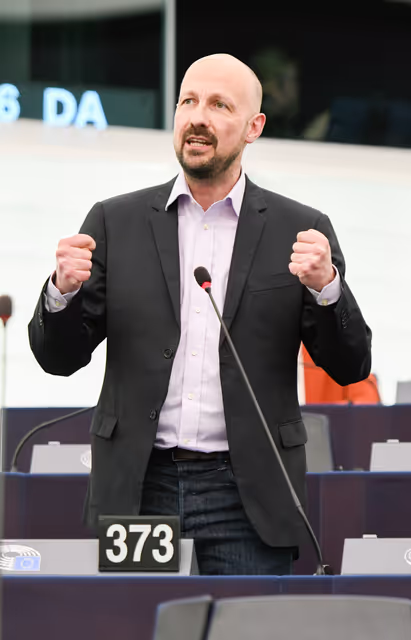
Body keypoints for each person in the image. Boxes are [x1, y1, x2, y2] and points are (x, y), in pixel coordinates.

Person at [29, 53, 371, 575]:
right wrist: (61, 292)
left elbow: (351, 365)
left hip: (248, 497)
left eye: (219, 105)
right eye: (187, 101)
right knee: (134, 617)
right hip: (140, 490)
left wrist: (327, 288)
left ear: (254, 127)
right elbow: (58, 358)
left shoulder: (300, 230)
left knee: (245, 618)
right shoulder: (115, 222)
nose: (197, 117)